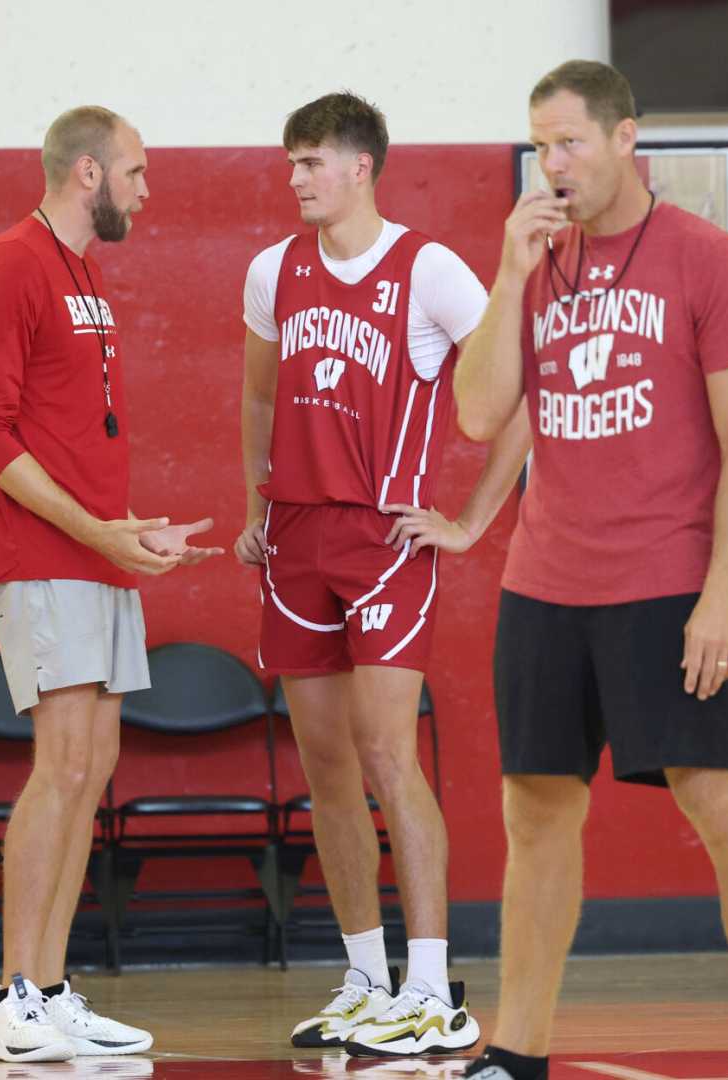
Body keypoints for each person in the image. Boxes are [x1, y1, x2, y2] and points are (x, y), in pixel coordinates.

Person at [452, 60, 728, 1080]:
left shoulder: (709, 261)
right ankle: (515, 1049)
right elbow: (478, 414)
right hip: (543, 582)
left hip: (665, 583)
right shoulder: (532, 263)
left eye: (567, 141)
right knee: (535, 810)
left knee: (722, 803)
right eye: (538, 145)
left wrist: (720, 599)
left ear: (622, 140)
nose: (550, 164)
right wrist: (507, 277)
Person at [235, 91, 530, 1058]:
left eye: (310, 162)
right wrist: (253, 509)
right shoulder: (273, 270)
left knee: (387, 756)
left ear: (360, 166)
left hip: (385, 542)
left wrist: (473, 520)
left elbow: (517, 390)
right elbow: (256, 395)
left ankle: (433, 989)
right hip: (296, 540)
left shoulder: (429, 268)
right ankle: (365, 977)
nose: (295, 179)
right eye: (290, 164)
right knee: (324, 768)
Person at [0, 105, 221, 1064]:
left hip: (94, 556)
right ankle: (10, 995)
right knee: (60, 765)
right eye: (137, 173)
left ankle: (53, 989)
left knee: (94, 767)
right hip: (39, 556)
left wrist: (131, 534)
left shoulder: (86, 273)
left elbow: (75, 439)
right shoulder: (11, 260)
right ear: (86, 173)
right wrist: (94, 532)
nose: (147, 192)